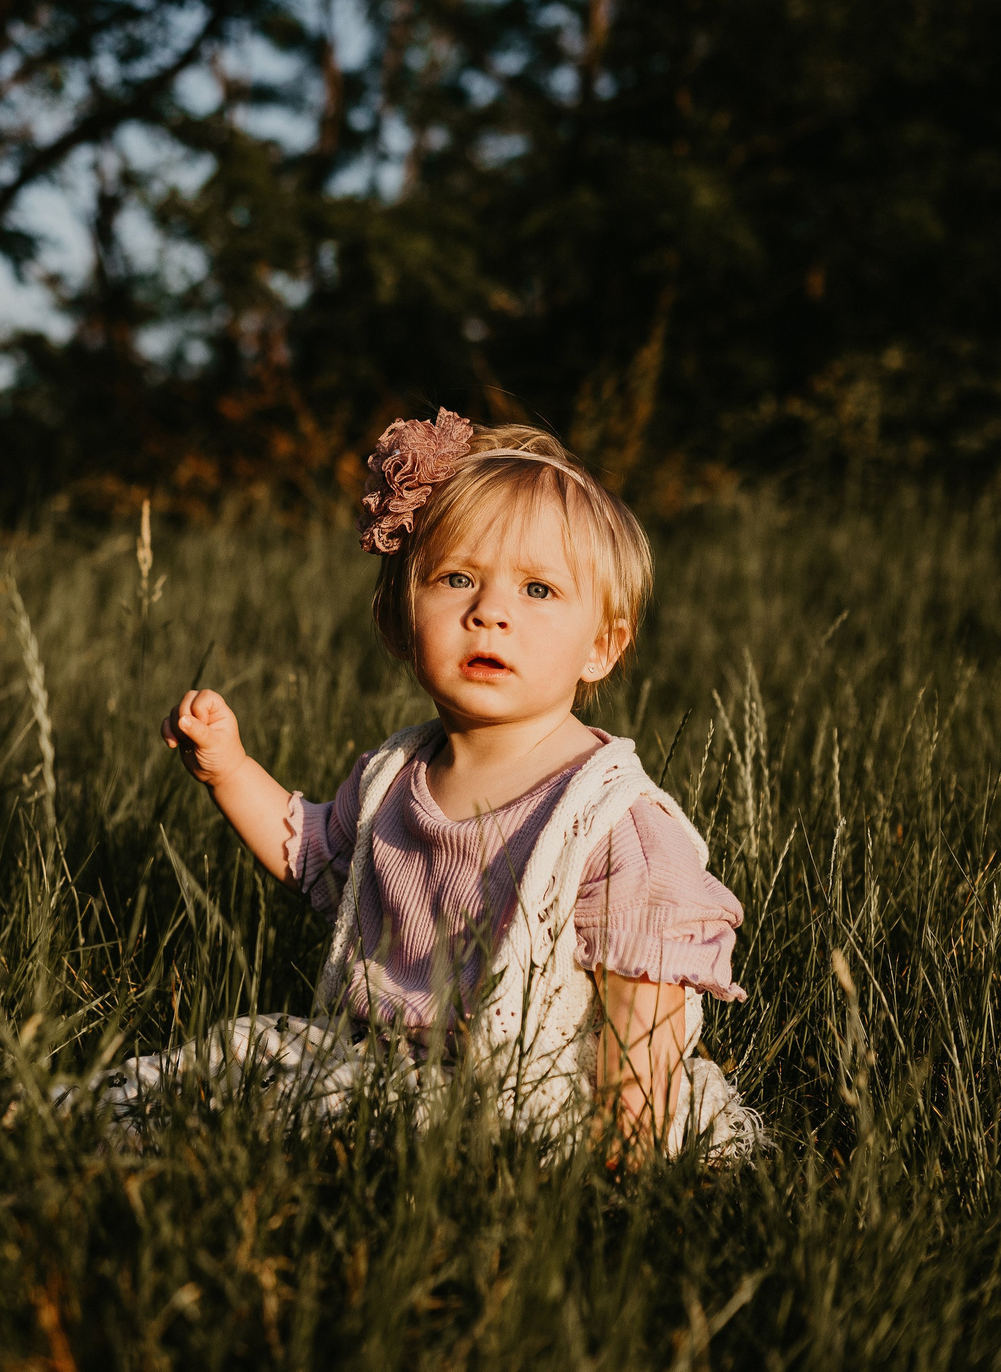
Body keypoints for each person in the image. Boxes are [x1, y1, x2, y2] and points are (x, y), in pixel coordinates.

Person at [134, 413, 761, 1162]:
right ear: (402, 621)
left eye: (537, 589)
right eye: (458, 579)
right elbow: (314, 853)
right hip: (382, 1063)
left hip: (546, 1088)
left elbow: (645, 994)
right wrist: (229, 771)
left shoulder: (606, 819)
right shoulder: (393, 781)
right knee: (224, 1065)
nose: (489, 612)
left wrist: (626, 1131)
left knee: (408, 1135)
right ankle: (32, 1115)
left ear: (601, 646)